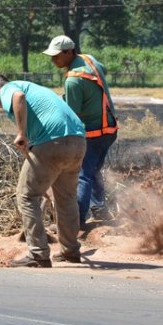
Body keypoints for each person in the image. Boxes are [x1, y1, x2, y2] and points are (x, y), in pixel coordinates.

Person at [0, 73, 86, 267]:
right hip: (78, 141)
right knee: (66, 198)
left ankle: (38, 254)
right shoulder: (35, 88)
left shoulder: (9, 89)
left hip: (52, 142)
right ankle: (70, 251)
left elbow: (17, 98)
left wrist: (21, 133)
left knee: (26, 196)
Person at [43, 35, 119, 230]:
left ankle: (75, 221)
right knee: (93, 170)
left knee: (82, 174)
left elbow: (72, 114)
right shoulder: (88, 59)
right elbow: (104, 69)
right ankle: (99, 209)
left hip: (93, 133)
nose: (53, 61)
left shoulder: (74, 80)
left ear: (69, 52)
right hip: (110, 128)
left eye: (57, 56)